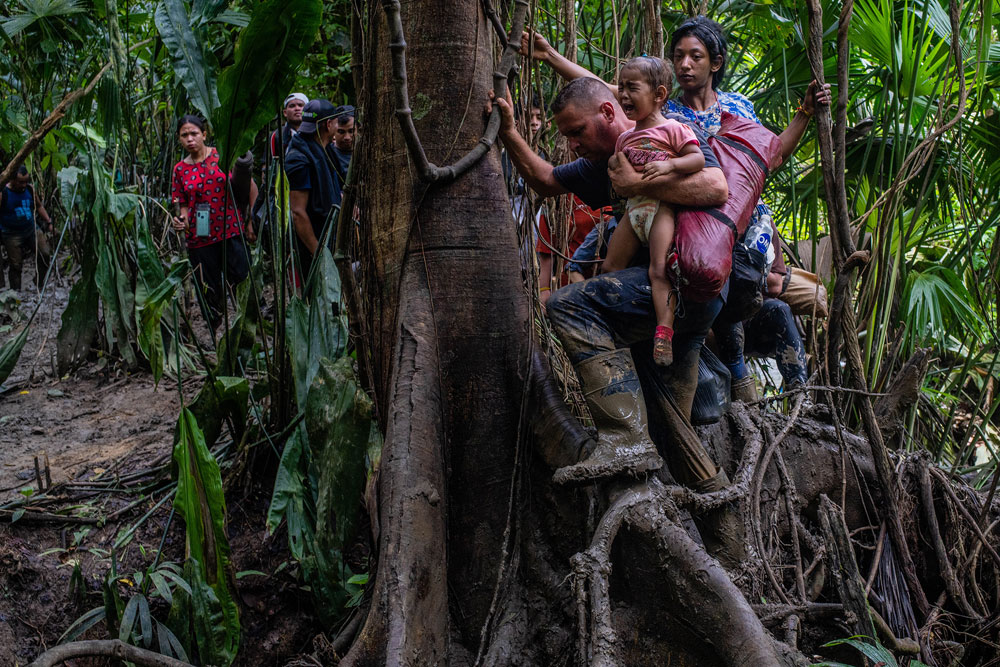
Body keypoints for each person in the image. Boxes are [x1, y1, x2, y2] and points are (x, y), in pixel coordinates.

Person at [490, 74, 731, 488]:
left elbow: (716, 185)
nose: (573, 144)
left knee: (568, 304)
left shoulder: (662, 134)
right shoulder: (600, 162)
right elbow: (547, 181)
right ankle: (700, 500)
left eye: (577, 132)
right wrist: (510, 132)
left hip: (681, 284)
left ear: (607, 113)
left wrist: (640, 183)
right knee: (671, 421)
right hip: (668, 301)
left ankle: (625, 441)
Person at [663, 15, 830, 401]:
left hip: (750, 230)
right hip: (698, 231)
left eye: (695, 56)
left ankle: (797, 403)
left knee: (752, 297)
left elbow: (771, 156)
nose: (685, 65)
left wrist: (803, 113)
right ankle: (738, 385)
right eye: (678, 57)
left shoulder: (739, 107)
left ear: (715, 63)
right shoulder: (668, 115)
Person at [606, 56, 705, 367]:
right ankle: (617, 323)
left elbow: (697, 160)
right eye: (620, 88)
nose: (623, 95)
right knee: (610, 265)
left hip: (661, 209)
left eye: (632, 88)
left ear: (659, 95)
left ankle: (664, 331)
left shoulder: (674, 129)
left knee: (659, 270)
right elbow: (619, 168)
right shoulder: (624, 137)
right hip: (634, 211)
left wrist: (670, 164)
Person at [170, 115, 251, 329]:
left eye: (194, 133)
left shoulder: (222, 155)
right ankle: (215, 335)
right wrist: (181, 221)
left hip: (231, 230)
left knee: (242, 279)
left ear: (204, 134)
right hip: (200, 237)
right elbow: (182, 204)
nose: (190, 139)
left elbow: (246, 184)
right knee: (209, 289)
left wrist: (251, 219)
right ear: (179, 138)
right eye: (184, 135)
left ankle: (248, 330)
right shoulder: (179, 169)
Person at [285, 99, 343, 284]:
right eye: (336, 121)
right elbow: (298, 213)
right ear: (328, 124)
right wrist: (319, 253)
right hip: (313, 246)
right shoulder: (299, 158)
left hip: (329, 238)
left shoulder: (326, 150)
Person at [0, 166, 53, 291]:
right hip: (11, 234)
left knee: (45, 253)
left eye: (26, 181)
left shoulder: (29, 190)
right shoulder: (4, 193)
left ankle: (39, 283)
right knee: (16, 264)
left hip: (31, 229)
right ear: (12, 180)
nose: (24, 185)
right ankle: (16, 292)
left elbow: (39, 206)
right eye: (20, 182)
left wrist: (48, 221)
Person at [270, 93, 308, 159]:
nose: (297, 108)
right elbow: (268, 165)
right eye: (292, 106)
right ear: (285, 113)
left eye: (300, 105)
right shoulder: (276, 135)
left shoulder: (318, 133)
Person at [328, 105, 356, 183]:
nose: (347, 137)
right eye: (341, 132)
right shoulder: (327, 155)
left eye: (351, 131)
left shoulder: (367, 153)